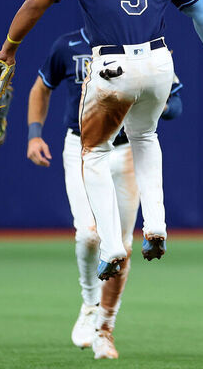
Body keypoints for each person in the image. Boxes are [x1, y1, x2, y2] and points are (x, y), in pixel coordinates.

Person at [0, 0, 203, 280]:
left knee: (94, 152)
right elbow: (201, 11)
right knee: (146, 137)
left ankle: (112, 244)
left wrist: (9, 49)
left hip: (113, 64)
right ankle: (155, 226)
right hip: (159, 63)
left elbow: (36, 3)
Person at [26, 27, 183, 359]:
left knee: (121, 247)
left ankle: (104, 331)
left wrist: (143, 102)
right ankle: (89, 302)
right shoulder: (66, 44)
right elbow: (41, 88)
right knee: (88, 236)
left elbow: (176, 102)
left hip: (126, 150)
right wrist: (34, 134)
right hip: (82, 147)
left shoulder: (140, 47)